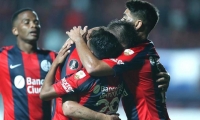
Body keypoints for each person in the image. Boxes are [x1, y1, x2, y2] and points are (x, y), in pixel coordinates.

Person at [65, 0, 170, 120]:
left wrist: (78, 40)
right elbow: (108, 31)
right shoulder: (146, 48)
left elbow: (93, 68)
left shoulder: (135, 53)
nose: (121, 20)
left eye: (125, 17)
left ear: (137, 24)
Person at [40, 27, 128, 120]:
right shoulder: (122, 64)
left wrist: (78, 39)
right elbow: (68, 106)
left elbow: (51, 96)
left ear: (91, 52)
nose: (88, 33)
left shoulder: (84, 76)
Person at [0, 8, 60, 120]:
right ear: (15, 30)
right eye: (26, 22)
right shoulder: (3, 57)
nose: (33, 25)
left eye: (36, 22)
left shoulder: (53, 57)